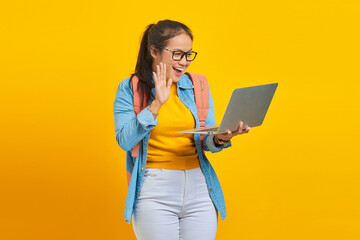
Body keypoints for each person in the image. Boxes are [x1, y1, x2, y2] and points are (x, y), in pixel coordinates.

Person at [113, 19, 251, 240]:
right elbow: (125, 141)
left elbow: (206, 141)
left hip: (199, 188)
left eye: (189, 54)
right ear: (154, 51)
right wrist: (156, 104)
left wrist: (221, 138)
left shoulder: (199, 85)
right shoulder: (131, 88)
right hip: (154, 190)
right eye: (177, 54)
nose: (185, 62)